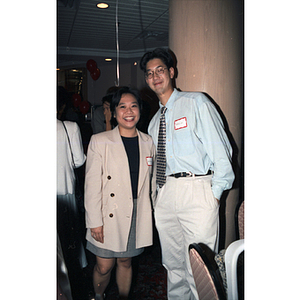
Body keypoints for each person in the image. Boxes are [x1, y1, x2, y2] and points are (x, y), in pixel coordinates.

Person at [140, 48, 235, 300]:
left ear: (172, 72)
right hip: (166, 194)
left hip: (197, 191)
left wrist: (212, 195)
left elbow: (222, 152)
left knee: (199, 269)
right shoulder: (152, 122)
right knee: (173, 267)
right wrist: (157, 198)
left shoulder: (196, 102)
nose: (155, 76)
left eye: (160, 70)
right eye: (149, 73)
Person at [84, 86, 156, 300]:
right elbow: (91, 186)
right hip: (108, 213)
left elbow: (150, 184)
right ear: (114, 112)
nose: (129, 111)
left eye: (133, 106)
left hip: (136, 212)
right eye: (122, 106)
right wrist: (94, 221)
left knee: (126, 261)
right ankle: (98, 295)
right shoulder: (100, 141)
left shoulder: (148, 142)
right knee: (104, 266)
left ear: (140, 110)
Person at [57, 98, 87, 299]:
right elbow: (78, 161)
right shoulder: (69, 127)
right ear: (61, 106)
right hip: (63, 192)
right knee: (69, 246)